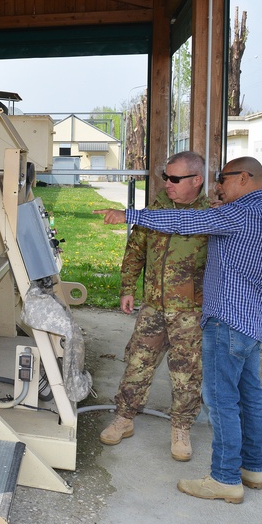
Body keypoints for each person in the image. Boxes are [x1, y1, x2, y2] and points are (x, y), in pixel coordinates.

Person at [95, 156, 262, 504]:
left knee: (221, 401)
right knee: (250, 398)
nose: (219, 185)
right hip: (250, 318)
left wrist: (131, 214)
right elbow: (144, 245)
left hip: (224, 319)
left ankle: (225, 478)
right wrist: (129, 285)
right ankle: (251, 468)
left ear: (244, 178)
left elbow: (185, 222)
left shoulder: (234, 213)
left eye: (223, 179)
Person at [99, 151, 208, 463]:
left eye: (175, 179)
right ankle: (124, 418)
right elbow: (135, 250)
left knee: (186, 373)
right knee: (138, 362)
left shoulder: (211, 214)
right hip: (154, 306)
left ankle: (182, 429)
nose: (168, 184)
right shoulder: (156, 209)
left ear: (196, 180)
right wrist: (127, 288)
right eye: (166, 177)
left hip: (190, 310)